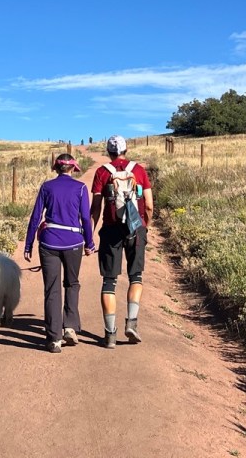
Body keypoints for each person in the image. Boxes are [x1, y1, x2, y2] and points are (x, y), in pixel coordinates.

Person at [24, 153, 96, 353]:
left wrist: (28, 244)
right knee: (72, 283)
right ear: (73, 168)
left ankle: (54, 339)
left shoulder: (47, 187)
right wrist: (90, 243)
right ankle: (70, 327)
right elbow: (85, 218)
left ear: (56, 168)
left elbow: (36, 216)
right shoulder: (80, 188)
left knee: (52, 288)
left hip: (49, 242)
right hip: (74, 242)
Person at [91, 135, 154, 348]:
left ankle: (110, 335)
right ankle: (132, 324)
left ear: (108, 151)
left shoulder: (102, 172)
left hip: (110, 231)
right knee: (135, 276)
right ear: (126, 149)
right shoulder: (139, 170)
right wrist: (145, 226)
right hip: (136, 229)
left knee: (109, 282)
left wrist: (90, 232)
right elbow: (150, 205)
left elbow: (96, 207)